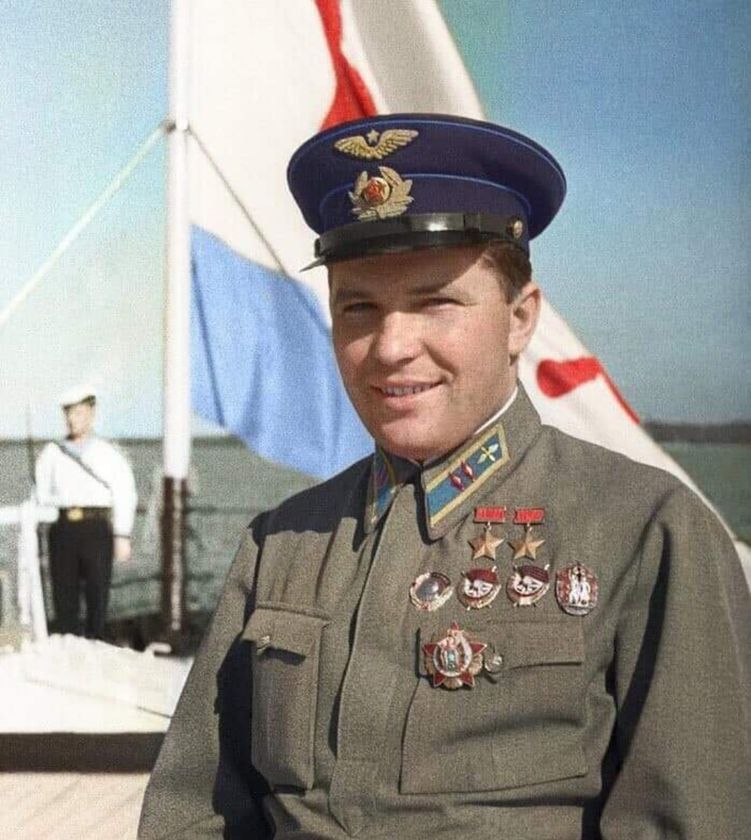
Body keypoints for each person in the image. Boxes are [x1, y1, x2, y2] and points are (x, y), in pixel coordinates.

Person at [139, 115, 751, 838]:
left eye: (435, 302)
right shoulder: (281, 546)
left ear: (520, 319)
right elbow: (193, 816)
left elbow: (691, 820)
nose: (390, 347)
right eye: (358, 307)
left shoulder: (645, 531)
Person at [34, 385, 137, 639]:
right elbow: (40, 495)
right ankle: (67, 644)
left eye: (78, 412)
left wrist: (122, 535)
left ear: (91, 413)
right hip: (63, 528)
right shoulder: (52, 453)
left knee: (97, 593)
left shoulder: (107, 453)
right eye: (68, 413)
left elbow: (124, 492)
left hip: (96, 528)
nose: (72, 419)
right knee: (63, 595)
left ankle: (95, 642)